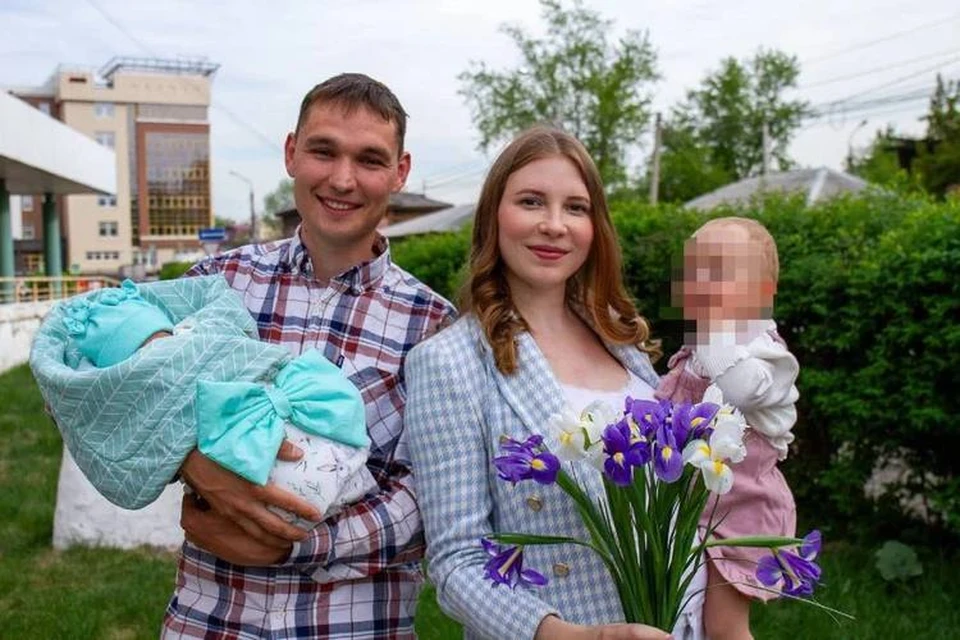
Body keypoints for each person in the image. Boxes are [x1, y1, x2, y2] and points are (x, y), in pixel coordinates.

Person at [147, 74, 453, 638]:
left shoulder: (435, 328)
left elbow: (431, 497)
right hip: (210, 622)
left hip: (356, 626)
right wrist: (195, 464)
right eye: (323, 151)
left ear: (400, 172)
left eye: (369, 159)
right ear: (291, 153)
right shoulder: (216, 285)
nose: (342, 179)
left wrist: (294, 543)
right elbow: (108, 390)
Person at [404, 126, 701, 640]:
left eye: (576, 208)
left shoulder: (619, 338)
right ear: (493, 215)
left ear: (595, 226)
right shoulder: (448, 362)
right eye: (531, 202)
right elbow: (456, 563)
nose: (554, 225)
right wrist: (579, 637)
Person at [30, 275, 377, 527]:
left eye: (159, 335)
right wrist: (184, 452)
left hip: (280, 417)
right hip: (210, 594)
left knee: (311, 458)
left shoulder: (200, 324)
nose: (157, 346)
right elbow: (77, 405)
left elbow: (227, 350)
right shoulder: (223, 274)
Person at [655, 217, 799, 640]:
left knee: (723, 627)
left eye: (719, 271)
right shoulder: (699, 348)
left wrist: (712, 333)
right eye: (693, 270)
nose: (701, 282)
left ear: (764, 293)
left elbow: (742, 390)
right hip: (691, 503)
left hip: (740, 511)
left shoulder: (764, 352)